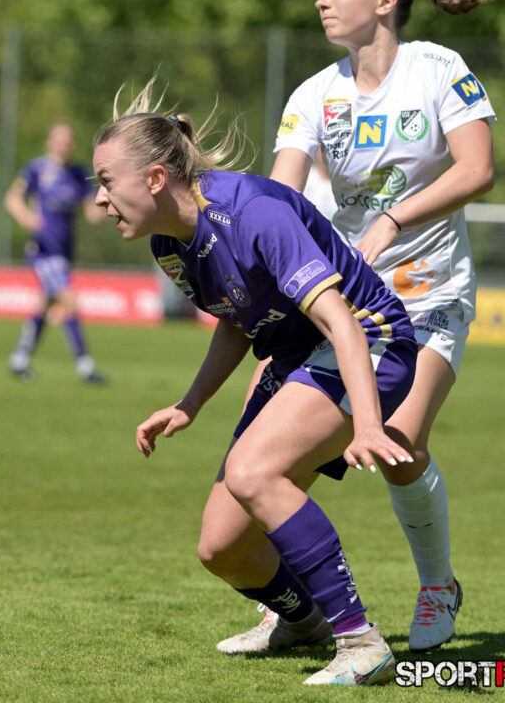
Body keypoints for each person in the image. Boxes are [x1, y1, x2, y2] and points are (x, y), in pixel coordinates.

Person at [92, 78, 418, 686]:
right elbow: (238, 317)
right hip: (297, 354)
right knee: (223, 549)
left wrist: (368, 425)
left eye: (107, 182)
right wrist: (190, 404)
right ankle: (303, 621)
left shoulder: (254, 213)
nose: (99, 200)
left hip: (370, 341)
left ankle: (361, 642)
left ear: (156, 178)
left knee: (252, 473)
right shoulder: (169, 244)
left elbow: (343, 325)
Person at [246, 0, 502, 654]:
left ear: (387, 0)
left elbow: (479, 170)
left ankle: (438, 584)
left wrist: (391, 219)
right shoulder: (312, 94)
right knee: (283, 450)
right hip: (346, 301)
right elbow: (282, 198)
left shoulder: (438, 69)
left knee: (398, 445)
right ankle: (294, 604)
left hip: (430, 293)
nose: (322, 0)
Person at [5, 122, 106, 384]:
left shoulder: (78, 173)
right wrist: (27, 218)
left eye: (68, 140)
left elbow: (92, 211)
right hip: (43, 249)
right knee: (69, 300)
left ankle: (19, 359)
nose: (64, 145)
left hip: (64, 252)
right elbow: (12, 198)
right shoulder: (36, 169)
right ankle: (85, 366)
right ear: (50, 142)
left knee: (45, 303)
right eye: (59, 140)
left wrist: (111, 208)